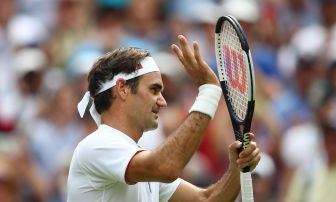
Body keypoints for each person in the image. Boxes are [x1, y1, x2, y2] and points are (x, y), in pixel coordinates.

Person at [67, 35, 261, 202]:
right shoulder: (97, 145)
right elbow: (166, 167)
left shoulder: (140, 161)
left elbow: (207, 199)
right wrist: (209, 92)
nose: (162, 102)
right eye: (154, 90)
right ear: (122, 88)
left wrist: (238, 168)